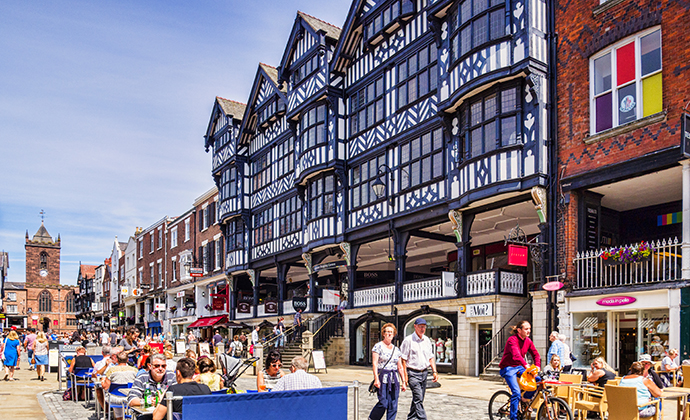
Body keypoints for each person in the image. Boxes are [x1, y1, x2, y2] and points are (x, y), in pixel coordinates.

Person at [498, 320, 541, 420]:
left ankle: (524, 398)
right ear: (519, 330)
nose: (529, 331)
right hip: (508, 368)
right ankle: (513, 418)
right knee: (516, 392)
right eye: (526, 329)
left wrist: (537, 366)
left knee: (537, 380)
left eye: (529, 329)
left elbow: (536, 354)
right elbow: (516, 355)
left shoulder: (528, 341)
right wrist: (526, 365)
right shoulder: (512, 340)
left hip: (519, 367)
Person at [400, 318, 438, 420]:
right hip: (412, 373)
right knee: (418, 397)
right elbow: (403, 359)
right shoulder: (408, 340)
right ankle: (423, 418)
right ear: (415, 326)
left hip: (424, 373)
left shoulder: (427, 340)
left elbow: (431, 357)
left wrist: (434, 371)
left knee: (419, 398)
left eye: (424, 327)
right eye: (420, 326)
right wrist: (405, 377)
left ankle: (411, 418)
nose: (422, 329)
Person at [369, 323, 406, 420]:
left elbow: (400, 366)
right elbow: (375, 364)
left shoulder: (396, 349)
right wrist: (376, 379)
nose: (389, 334)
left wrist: (404, 381)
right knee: (383, 403)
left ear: (394, 334)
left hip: (394, 378)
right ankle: (372, 418)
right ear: (383, 334)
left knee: (393, 404)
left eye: (391, 332)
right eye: (387, 332)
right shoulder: (378, 346)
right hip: (383, 377)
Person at [101, 352, 138, 420]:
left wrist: (102, 381)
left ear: (117, 360)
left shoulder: (111, 370)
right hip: (129, 398)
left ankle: (119, 417)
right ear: (127, 360)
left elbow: (105, 387)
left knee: (113, 396)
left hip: (114, 398)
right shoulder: (134, 370)